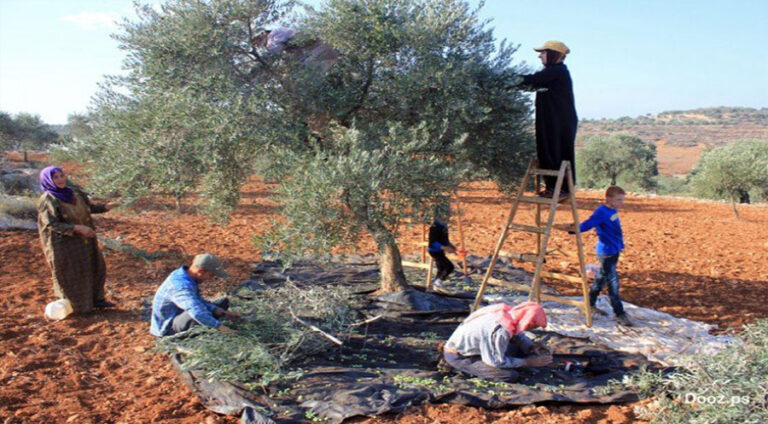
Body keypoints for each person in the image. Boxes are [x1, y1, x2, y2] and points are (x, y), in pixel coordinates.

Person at [37, 166, 116, 313]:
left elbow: (89, 207)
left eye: (62, 175)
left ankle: (97, 300)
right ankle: (77, 307)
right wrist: (77, 228)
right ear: (49, 180)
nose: (60, 179)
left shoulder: (75, 193)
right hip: (64, 244)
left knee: (95, 267)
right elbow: (51, 224)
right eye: (56, 177)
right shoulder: (48, 199)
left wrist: (107, 206)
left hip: (85, 241)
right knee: (72, 273)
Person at [520, 40, 578, 197]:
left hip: (558, 121)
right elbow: (532, 83)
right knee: (550, 150)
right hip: (554, 120)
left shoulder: (557, 71)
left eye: (543, 52)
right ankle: (556, 188)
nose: (540, 56)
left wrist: (505, 80)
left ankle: (560, 189)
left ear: (552, 54)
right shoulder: (554, 72)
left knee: (555, 151)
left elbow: (531, 80)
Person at [441, 301, 552, 381]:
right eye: (531, 326)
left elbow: (517, 335)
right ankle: (459, 367)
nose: (530, 329)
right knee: (509, 375)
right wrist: (527, 362)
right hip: (459, 356)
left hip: (475, 346)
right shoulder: (500, 330)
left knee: (519, 350)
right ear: (527, 321)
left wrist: (532, 346)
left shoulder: (507, 314)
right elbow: (494, 361)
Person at [570, 186, 632, 326]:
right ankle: (620, 314)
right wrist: (573, 229)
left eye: (622, 199)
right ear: (609, 198)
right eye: (619, 200)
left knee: (601, 278)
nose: (621, 202)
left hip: (614, 251)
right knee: (613, 283)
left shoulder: (613, 210)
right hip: (606, 253)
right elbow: (589, 223)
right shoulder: (602, 212)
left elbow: (614, 229)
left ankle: (590, 305)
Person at [150, 253, 239, 337]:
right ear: (201, 271)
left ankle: (211, 320)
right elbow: (196, 312)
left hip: (180, 313)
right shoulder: (181, 286)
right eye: (211, 275)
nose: (210, 278)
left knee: (221, 303)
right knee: (197, 313)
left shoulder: (185, 275)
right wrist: (222, 328)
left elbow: (197, 300)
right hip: (168, 328)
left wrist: (219, 311)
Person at [427, 220, 457, 290]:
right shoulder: (435, 227)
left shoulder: (444, 226)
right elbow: (433, 242)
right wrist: (445, 248)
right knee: (449, 267)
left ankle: (436, 285)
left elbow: (445, 240)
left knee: (441, 268)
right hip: (434, 250)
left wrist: (452, 247)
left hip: (440, 251)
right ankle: (438, 282)